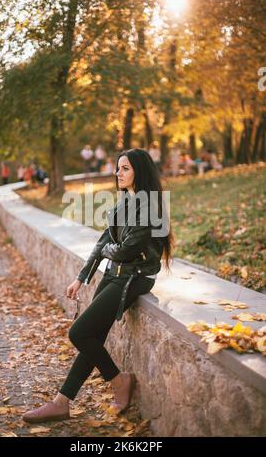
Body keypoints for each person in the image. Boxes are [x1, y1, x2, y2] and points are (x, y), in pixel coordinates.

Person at [22, 148, 174, 424]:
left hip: (134, 278)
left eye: (125, 168)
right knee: (93, 335)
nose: (118, 173)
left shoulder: (151, 206)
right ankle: (61, 402)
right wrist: (81, 278)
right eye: (118, 168)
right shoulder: (122, 203)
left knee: (78, 333)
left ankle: (119, 381)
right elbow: (102, 244)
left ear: (140, 171)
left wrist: (108, 252)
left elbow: (128, 250)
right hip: (114, 275)